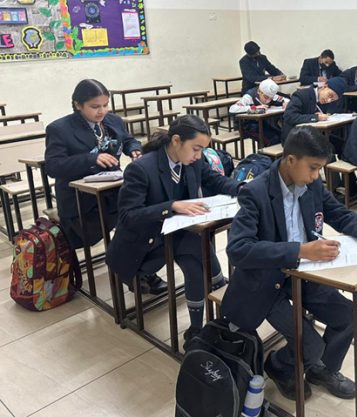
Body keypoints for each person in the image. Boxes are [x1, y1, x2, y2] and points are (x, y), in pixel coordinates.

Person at [221, 126, 357, 401]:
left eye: (319, 169)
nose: (316, 176)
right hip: (266, 283)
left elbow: (339, 214)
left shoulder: (311, 186)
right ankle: (280, 365)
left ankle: (323, 370)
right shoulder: (256, 193)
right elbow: (238, 250)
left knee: (348, 317)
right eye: (312, 168)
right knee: (309, 343)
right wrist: (299, 250)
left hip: (304, 274)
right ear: (290, 160)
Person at [105, 115, 242, 346]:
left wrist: (243, 188)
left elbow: (216, 181)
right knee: (196, 246)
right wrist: (171, 206)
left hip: (172, 234)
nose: (199, 156)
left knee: (193, 259)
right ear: (176, 140)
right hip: (142, 244)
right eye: (196, 149)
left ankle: (197, 328)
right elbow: (128, 217)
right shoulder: (141, 169)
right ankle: (219, 290)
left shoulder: (193, 161)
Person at [44, 79, 166, 294]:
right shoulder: (59, 128)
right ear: (77, 105)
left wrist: (135, 149)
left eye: (105, 105)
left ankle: (139, 269)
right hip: (83, 202)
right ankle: (133, 270)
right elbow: (53, 166)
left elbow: (127, 140)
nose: (101, 112)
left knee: (145, 216)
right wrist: (91, 159)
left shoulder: (113, 121)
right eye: (94, 107)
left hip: (114, 191)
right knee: (131, 223)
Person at [281, 76, 347, 142]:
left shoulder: (326, 101)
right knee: (329, 147)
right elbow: (289, 116)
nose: (329, 100)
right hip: (295, 137)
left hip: (314, 135)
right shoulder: (301, 95)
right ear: (324, 86)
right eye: (330, 95)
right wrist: (315, 117)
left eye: (332, 99)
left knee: (341, 144)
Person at [229, 79, 289, 146]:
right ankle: (266, 155)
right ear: (259, 92)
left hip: (262, 123)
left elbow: (285, 99)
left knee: (281, 136)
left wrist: (286, 103)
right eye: (266, 97)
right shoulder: (249, 96)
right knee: (271, 140)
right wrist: (254, 108)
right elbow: (232, 109)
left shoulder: (270, 94)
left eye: (271, 98)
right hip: (247, 126)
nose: (268, 101)